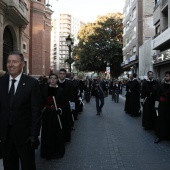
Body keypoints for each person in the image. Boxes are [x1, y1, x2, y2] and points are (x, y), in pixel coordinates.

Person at [0, 51, 41, 170]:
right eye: (8, 61)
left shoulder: (31, 83)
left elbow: (36, 112)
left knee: (28, 166)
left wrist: (34, 135)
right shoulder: (1, 82)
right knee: (9, 166)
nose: (10, 64)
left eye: (14, 61)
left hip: (25, 138)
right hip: (6, 137)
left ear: (22, 64)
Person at [40, 73, 65, 160]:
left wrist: (60, 109)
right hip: (47, 114)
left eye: (55, 78)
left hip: (56, 114)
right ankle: (46, 152)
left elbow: (63, 103)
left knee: (55, 132)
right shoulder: (44, 89)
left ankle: (55, 151)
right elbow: (41, 101)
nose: (53, 80)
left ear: (57, 80)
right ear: (49, 79)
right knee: (46, 132)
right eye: (51, 78)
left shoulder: (61, 90)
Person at [57, 68, 75, 142]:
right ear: (59, 75)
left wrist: (72, 108)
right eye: (60, 74)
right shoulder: (56, 83)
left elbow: (72, 97)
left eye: (63, 74)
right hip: (57, 106)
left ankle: (66, 138)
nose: (62, 75)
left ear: (65, 75)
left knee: (66, 123)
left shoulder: (69, 84)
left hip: (67, 106)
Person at [154, 71, 170, 144]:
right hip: (161, 106)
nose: (166, 77)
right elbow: (157, 97)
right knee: (160, 121)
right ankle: (159, 136)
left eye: (167, 76)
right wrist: (156, 106)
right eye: (165, 76)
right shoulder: (161, 85)